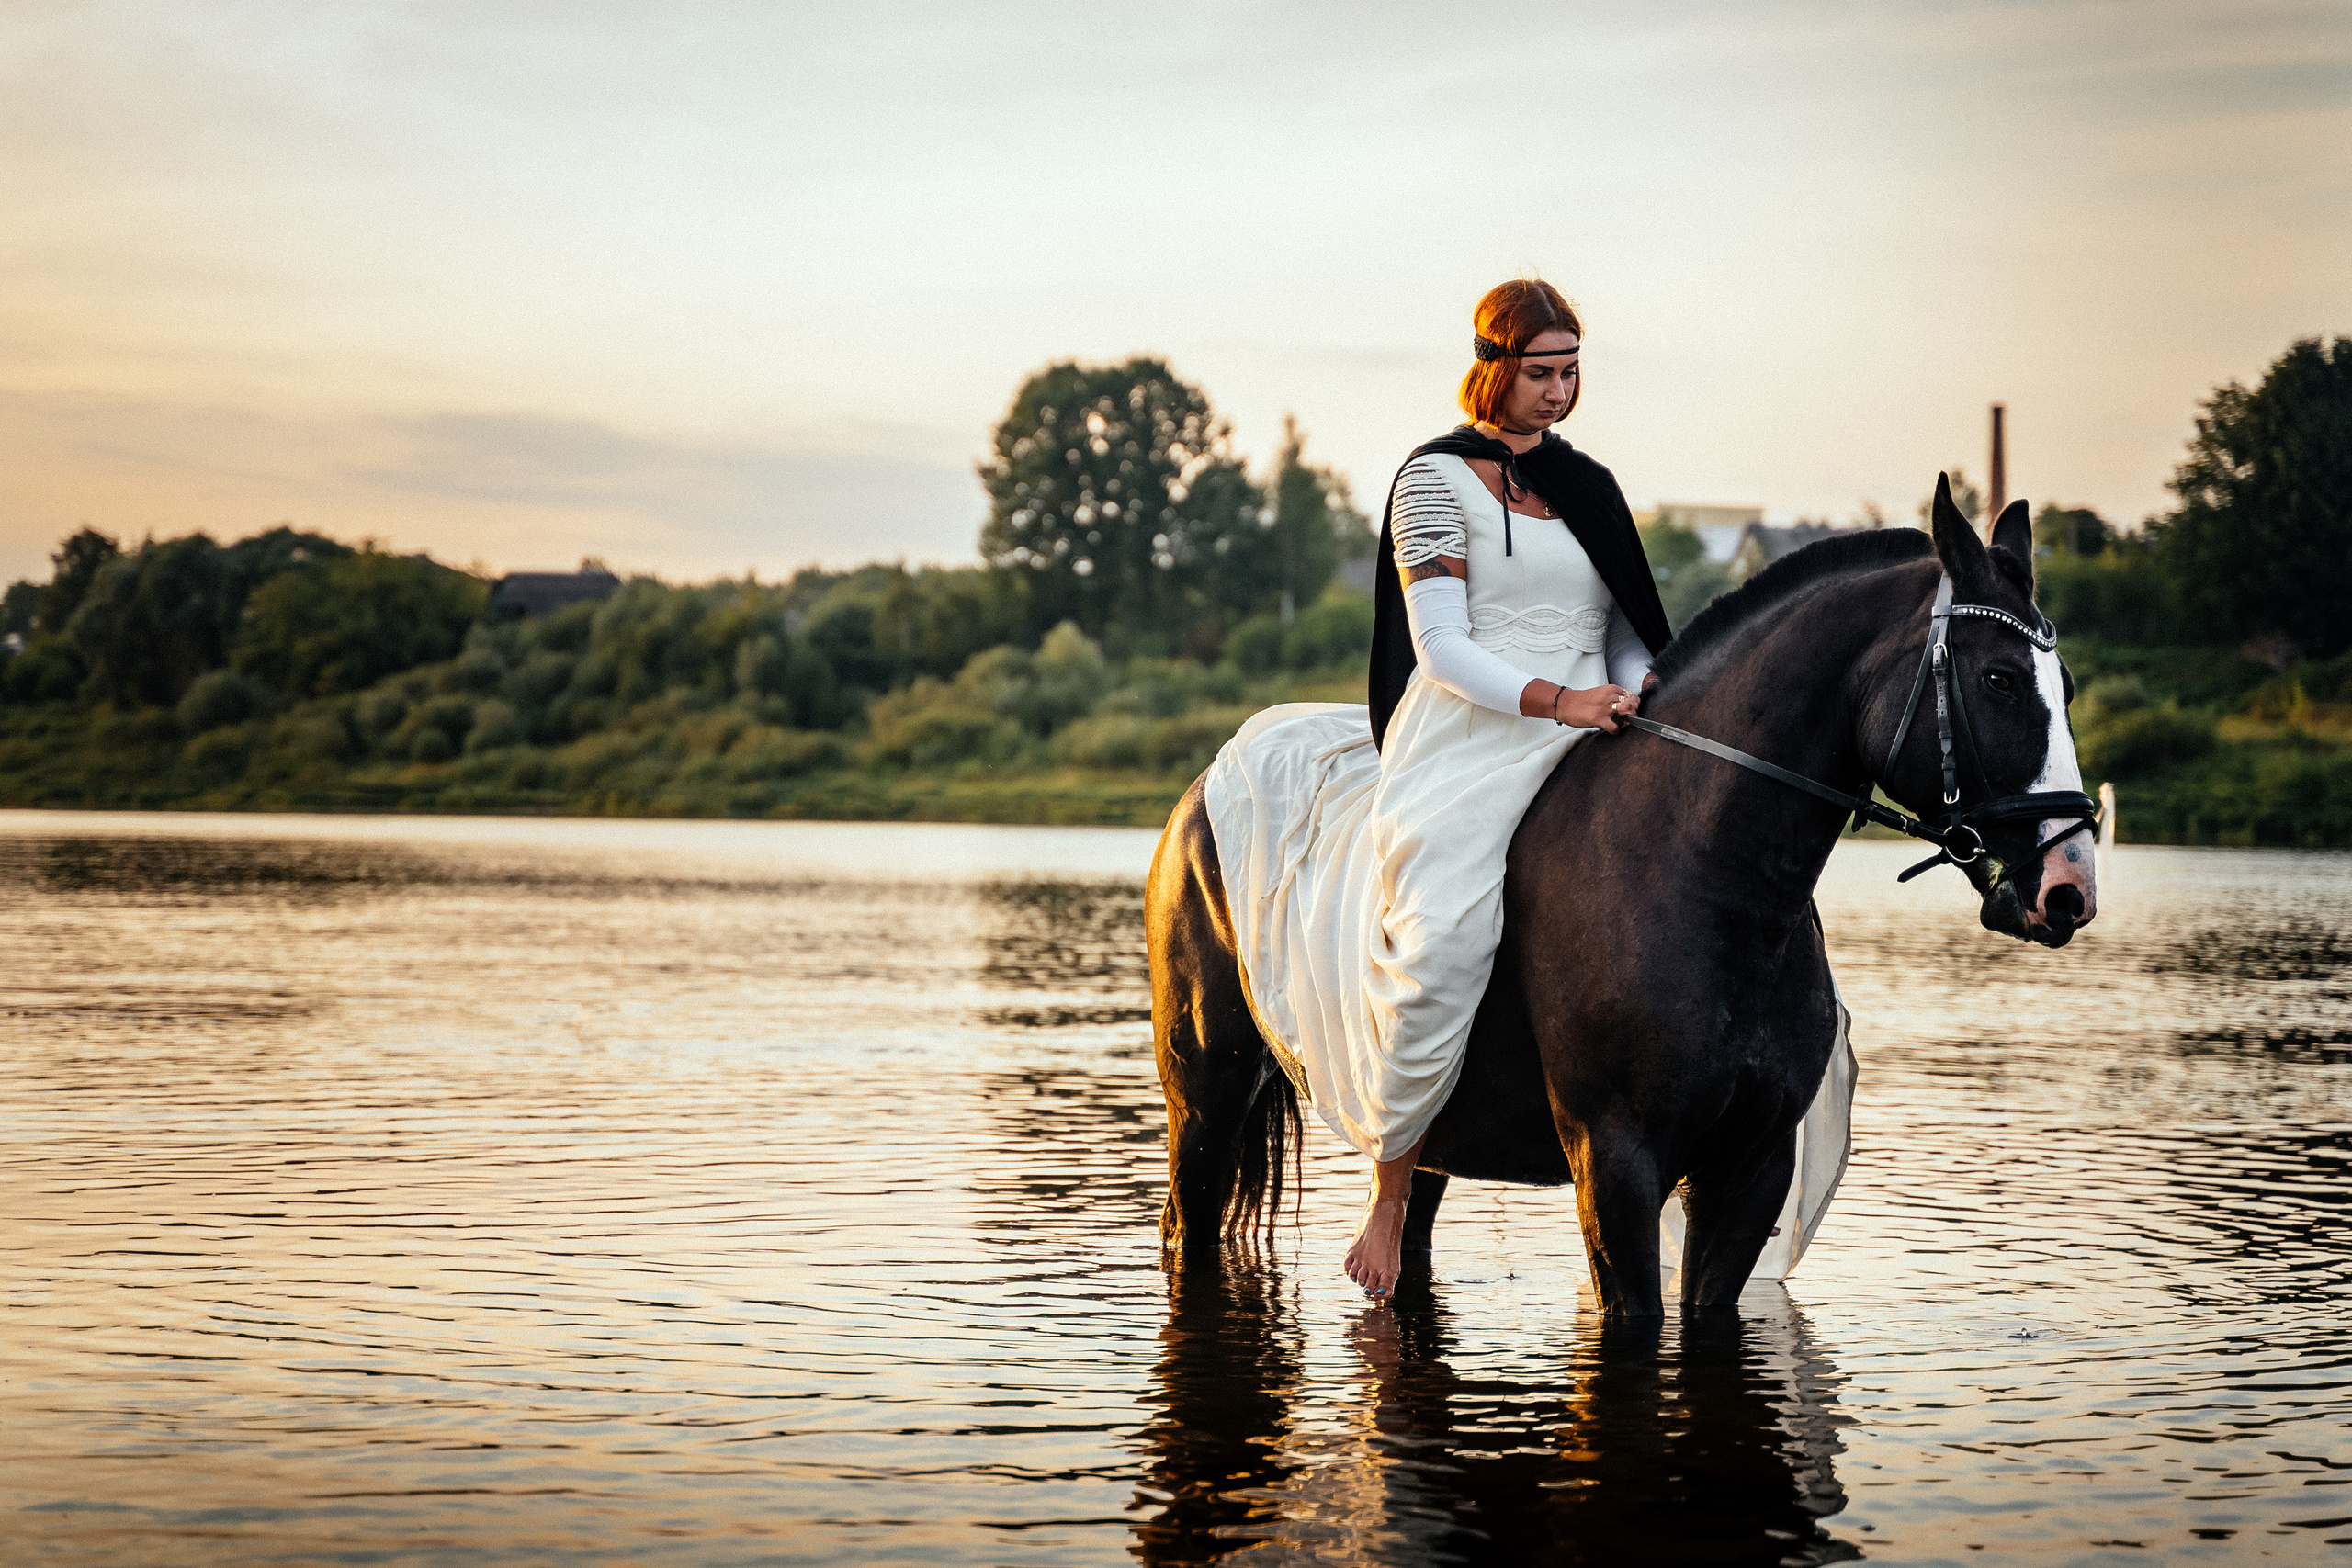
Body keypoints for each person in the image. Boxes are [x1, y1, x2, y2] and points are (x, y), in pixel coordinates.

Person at [1200, 277, 1674, 1299]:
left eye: (1571, 371)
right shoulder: (1433, 482)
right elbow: (1444, 649)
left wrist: (1632, 697)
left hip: (1594, 724)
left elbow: (1634, 627)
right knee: (1439, 938)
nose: (1559, 391)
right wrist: (1562, 701)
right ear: (1494, 369)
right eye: (1540, 372)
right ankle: (1388, 1188)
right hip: (1471, 736)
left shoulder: (1588, 487)